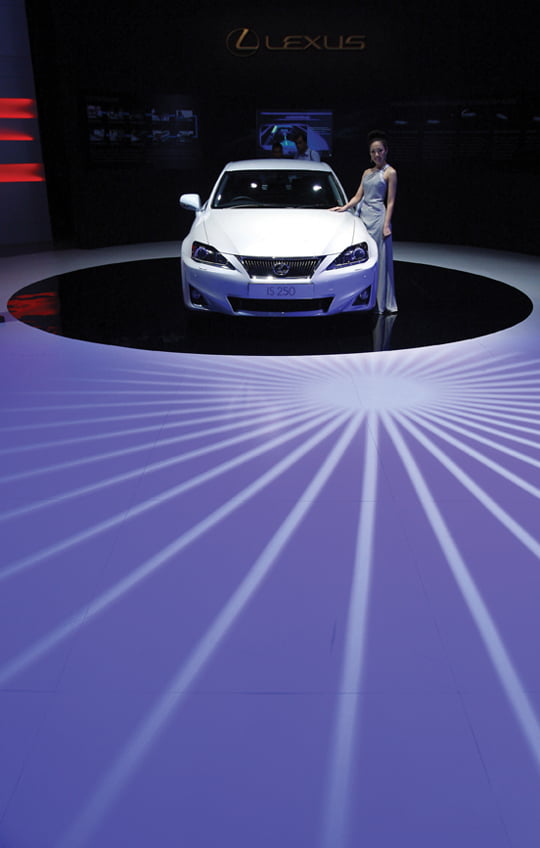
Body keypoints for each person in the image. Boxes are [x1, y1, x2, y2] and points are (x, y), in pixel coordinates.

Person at [331, 130, 397, 313]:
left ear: (386, 151)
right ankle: (360, 296)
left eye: (380, 151)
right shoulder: (367, 172)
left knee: (379, 260)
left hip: (378, 218)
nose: (377, 154)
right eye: (373, 152)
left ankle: (380, 301)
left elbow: (390, 201)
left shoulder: (390, 172)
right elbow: (358, 196)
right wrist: (344, 207)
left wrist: (386, 225)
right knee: (361, 258)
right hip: (363, 217)